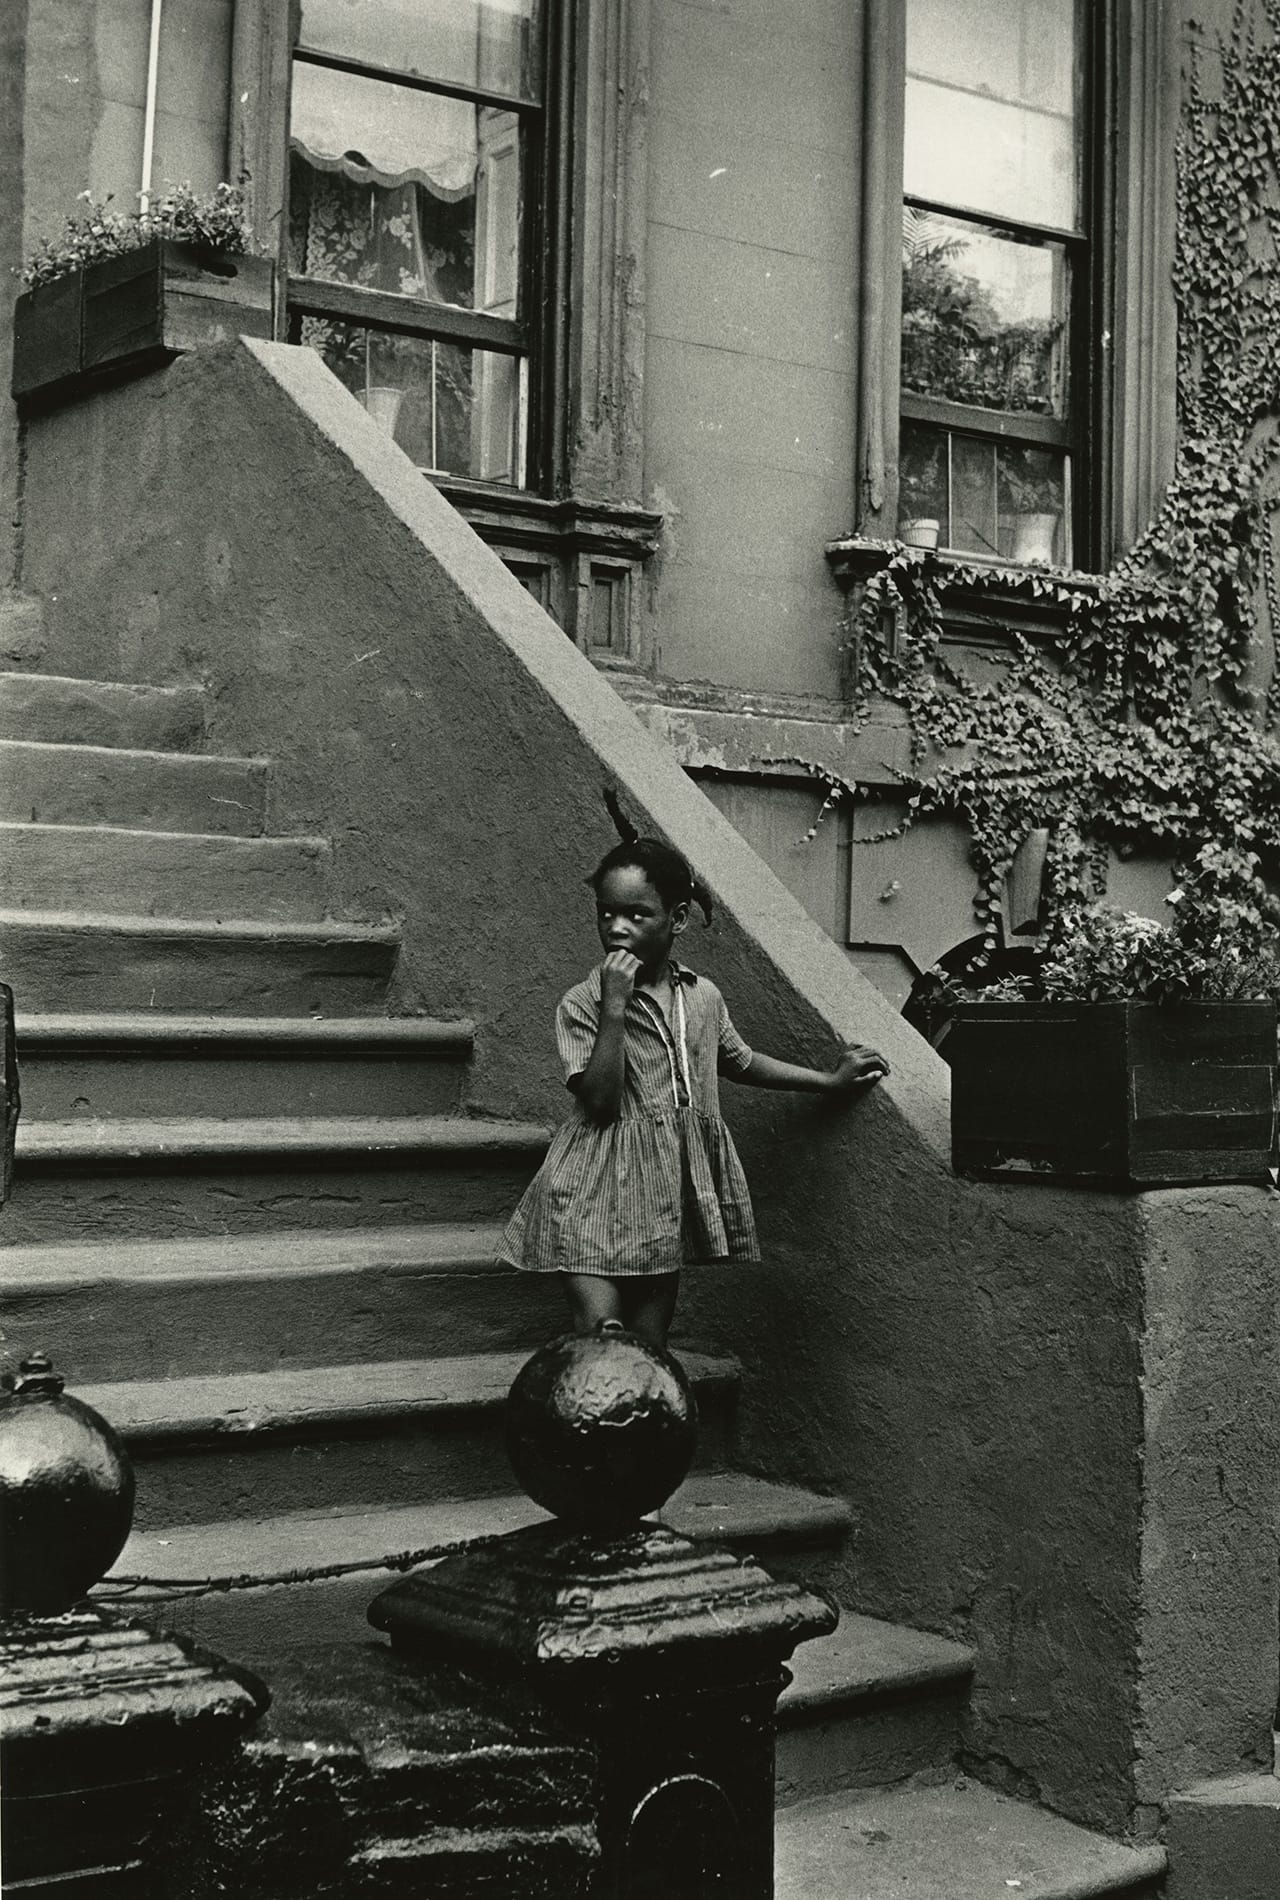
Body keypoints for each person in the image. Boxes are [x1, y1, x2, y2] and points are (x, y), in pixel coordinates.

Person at [498, 828, 889, 1348]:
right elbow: (599, 1101)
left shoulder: (702, 997)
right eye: (605, 913)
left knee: (650, 1351)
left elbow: (740, 1061)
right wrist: (615, 1005)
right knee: (601, 1342)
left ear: (676, 919)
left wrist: (828, 1081)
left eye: (636, 915)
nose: (617, 928)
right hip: (590, 1192)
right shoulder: (582, 1003)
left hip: (662, 1199)